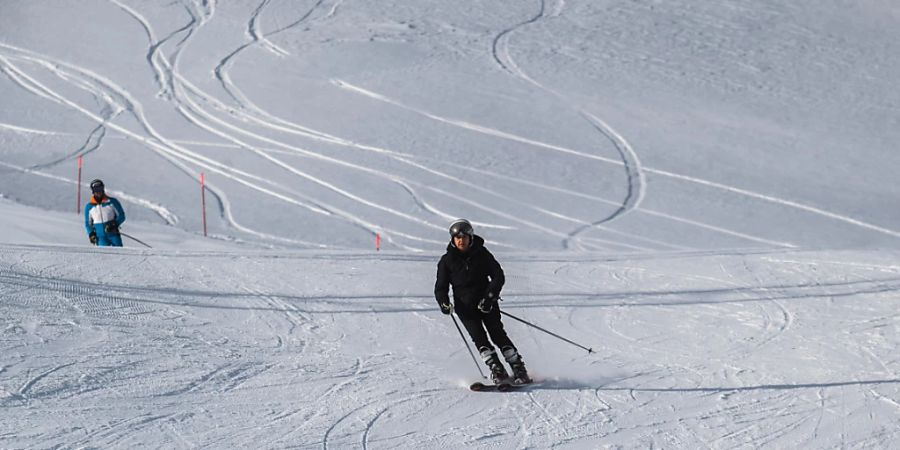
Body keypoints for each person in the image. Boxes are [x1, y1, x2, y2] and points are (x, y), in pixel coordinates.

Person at [434, 219, 531, 385]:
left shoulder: (482, 254)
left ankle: (518, 369)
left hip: (487, 305)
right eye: (457, 238)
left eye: (464, 237)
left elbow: (498, 276)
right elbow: (440, 287)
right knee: (480, 340)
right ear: (452, 239)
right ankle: (498, 371)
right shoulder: (446, 261)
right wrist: (444, 303)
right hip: (465, 309)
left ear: (470, 238)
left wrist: (490, 297)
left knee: (498, 335)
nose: (460, 240)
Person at [83, 179, 126, 247]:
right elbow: (87, 224)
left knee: (119, 254)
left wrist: (113, 225)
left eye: (100, 188)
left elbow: (121, 216)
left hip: (113, 235)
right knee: (104, 256)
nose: (98, 192)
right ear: (93, 191)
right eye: (96, 189)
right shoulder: (89, 207)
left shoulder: (112, 202)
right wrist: (91, 234)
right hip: (100, 238)